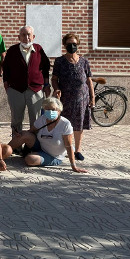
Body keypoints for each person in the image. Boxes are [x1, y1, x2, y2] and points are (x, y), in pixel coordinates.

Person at [9, 97, 88, 173]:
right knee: (24, 135)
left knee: (30, 159)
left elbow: (69, 145)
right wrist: (20, 134)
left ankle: (36, 156)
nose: (50, 112)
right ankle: (1, 153)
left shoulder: (65, 124)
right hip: (41, 147)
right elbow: (30, 131)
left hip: (54, 156)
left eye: (53, 109)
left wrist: (73, 166)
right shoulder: (42, 119)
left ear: (59, 110)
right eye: (47, 109)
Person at [51, 33, 95, 162]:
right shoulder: (59, 61)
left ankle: (78, 150)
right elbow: (54, 79)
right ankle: (64, 148)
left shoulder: (84, 61)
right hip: (66, 98)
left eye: (74, 44)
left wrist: (92, 97)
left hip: (82, 98)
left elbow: (89, 80)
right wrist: (56, 88)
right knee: (64, 123)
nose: (72, 46)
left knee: (79, 124)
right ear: (64, 45)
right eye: (69, 44)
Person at [2, 25, 51, 136]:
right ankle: (17, 144)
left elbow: (46, 68)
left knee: (36, 120)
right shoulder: (12, 50)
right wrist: (6, 84)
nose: (26, 37)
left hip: (35, 90)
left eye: (28, 34)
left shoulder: (39, 49)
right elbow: (6, 68)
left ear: (33, 36)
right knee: (16, 119)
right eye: (23, 35)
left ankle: (33, 144)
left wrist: (47, 84)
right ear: (19, 37)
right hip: (16, 90)